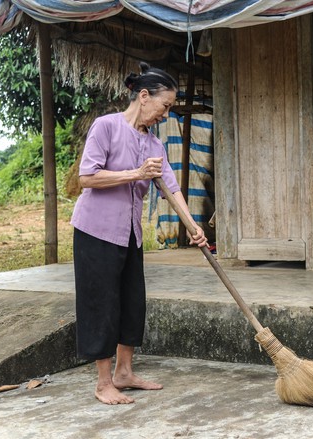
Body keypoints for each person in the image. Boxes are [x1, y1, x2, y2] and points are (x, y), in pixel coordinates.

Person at [70, 62, 207, 405]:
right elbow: (87, 178)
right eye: (165, 105)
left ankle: (124, 372)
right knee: (101, 303)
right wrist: (134, 173)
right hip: (96, 231)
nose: (166, 113)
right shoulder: (106, 127)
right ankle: (103, 383)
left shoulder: (155, 146)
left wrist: (193, 227)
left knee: (131, 301)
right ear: (144, 96)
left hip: (130, 233)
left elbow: (172, 190)